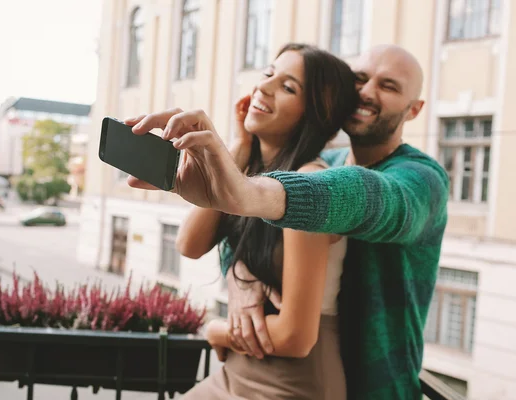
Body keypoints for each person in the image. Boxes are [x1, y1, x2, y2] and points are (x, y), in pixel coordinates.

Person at [124, 44, 449, 399]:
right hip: (271, 367)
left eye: (388, 86)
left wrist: (249, 194)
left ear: (414, 109)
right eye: (359, 79)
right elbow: (219, 242)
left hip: (374, 385)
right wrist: (244, 277)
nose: (366, 92)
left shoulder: (421, 179)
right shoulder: (326, 159)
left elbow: (371, 197)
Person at [166, 43, 357, 399]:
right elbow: (189, 245)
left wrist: (215, 331)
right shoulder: (256, 173)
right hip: (238, 369)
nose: (264, 87)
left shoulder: (309, 186)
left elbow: (296, 338)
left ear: (315, 113)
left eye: (288, 87)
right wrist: (240, 146)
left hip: (292, 382)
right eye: (269, 73)